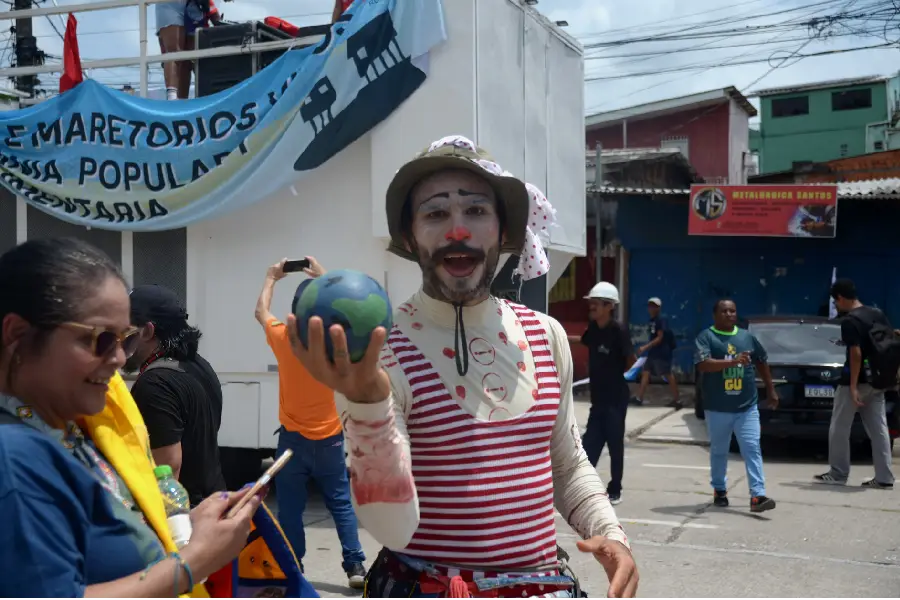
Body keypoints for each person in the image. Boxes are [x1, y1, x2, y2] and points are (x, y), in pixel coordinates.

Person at [287, 135, 639, 599]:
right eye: (435, 214)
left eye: (475, 211)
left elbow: (567, 464)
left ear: (503, 231)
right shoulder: (380, 352)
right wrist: (368, 402)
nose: (457, 231)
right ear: (410, 237)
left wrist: (611, 534)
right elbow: (391, 527)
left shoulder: (546, 334)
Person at [0, 237, 259, 598]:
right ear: (17, 334)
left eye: (127, 340)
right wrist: (193, 563)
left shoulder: (71, 427)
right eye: (101, 339)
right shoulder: (12, 454)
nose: (120, 357)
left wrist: (187, 529)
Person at [255, 256, 367, 588]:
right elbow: (356, 314)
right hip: (331, 439)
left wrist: (271, 277)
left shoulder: (284, 337)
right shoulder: (338, 342)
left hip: (292, 442)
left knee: (290, 508)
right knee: (341, 504)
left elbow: (261, 312)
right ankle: (355, 566)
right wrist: (326, 278)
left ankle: (294, 568)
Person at [124, 284, 227, 508]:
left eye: (125, 331)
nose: (118, 341)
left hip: (186, 517)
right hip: (213, 503)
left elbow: (167, 471)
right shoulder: (199, 365)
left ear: (147, 331)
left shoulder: (155, 384)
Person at [694, 299, 778, 512]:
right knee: (719, 451)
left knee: (752, 448)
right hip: (717, 407)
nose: (729, 314)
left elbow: (762, 361)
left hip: (746, 406)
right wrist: (733, 362)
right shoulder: (706, 337)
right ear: (715, 315)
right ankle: (720, 489)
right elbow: (703, 364)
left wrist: (771, 388)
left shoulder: (746, 337)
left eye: (732, 311)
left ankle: (757, 495)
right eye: (724, 311)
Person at [814, 279, 894, 489]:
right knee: (879, 429)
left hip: (856, 382)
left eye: (835, 302)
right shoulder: (877, 313)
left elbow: (855, 354)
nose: (836, 305)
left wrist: (852, 386)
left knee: (839, 427)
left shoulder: (850, 321)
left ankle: (838, 473)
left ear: (840, 298)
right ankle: (884, 477)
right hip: (877, 380)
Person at [568, 281, 636, 505]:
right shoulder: (594, 328)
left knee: (615, 443)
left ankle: (615, 488)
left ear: (609, 306)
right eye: (592, 303)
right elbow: (585, 341)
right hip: (597, 399)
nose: (592, 307)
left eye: (596, 303)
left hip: (616, 398)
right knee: (590, 444)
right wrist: (559, 337)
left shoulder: (619, 331)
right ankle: (585, 486)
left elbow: (630, 360)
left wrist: (614, 374)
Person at [156, 0, 221, 100]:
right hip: (170, 4)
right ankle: (172, 97)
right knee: (174, 51)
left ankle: (183, 101)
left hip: (194, 4)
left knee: (189, 58)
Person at [633, 297, 681, 409]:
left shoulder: (661, 320)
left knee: (667, 374)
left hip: (662, 352)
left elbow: (660, 338)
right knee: (646, 372)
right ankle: (639, 398)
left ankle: (677, 400)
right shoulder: (652, 321)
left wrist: (645, 347)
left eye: (654, 306)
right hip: (653, 352)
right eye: (650, 306)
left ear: (659, 308)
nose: (651, 308)